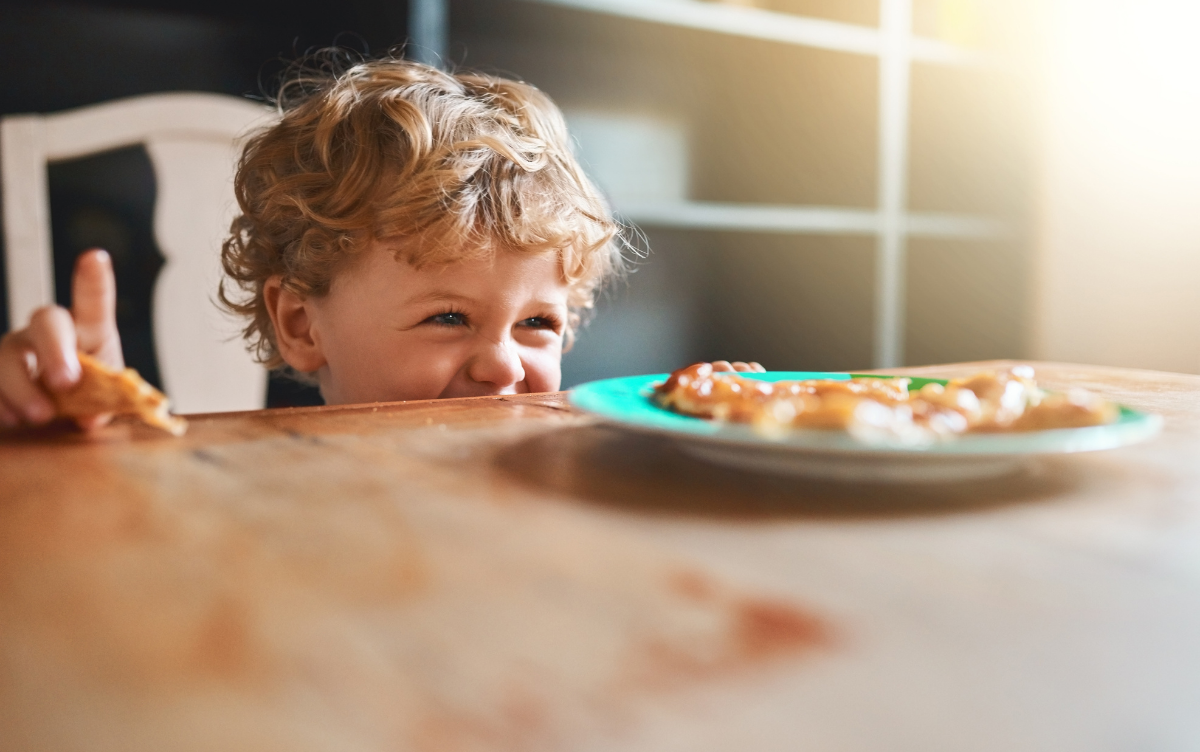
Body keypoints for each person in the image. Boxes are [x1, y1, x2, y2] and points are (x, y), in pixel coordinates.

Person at [0, 55, 759, 429]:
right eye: (449, 317)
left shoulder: (563, 465)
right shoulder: (262, 509)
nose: (505, 364)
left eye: (538, 323)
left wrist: (718, 418)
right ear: (302, 325)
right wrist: (78, 446)